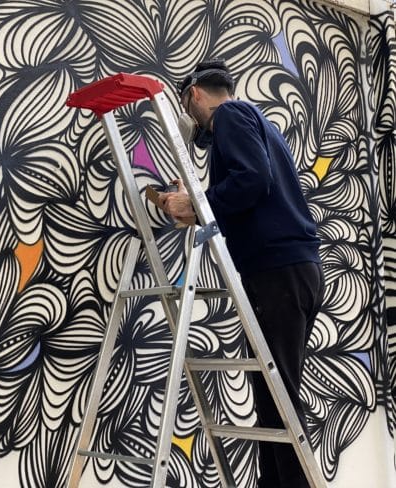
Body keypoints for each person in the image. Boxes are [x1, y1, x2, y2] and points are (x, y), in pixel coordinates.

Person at [157, 59, 325, 488]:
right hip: (289, 270)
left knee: (279, 400)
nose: (189, 117)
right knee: (273, 397)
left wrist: (197, 204)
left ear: (195, 94)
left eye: (186, 104)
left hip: (277, 271)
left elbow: (253, 180)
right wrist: (199, 203)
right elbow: (252, 187)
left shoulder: (229, 115)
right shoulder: (257, 120)